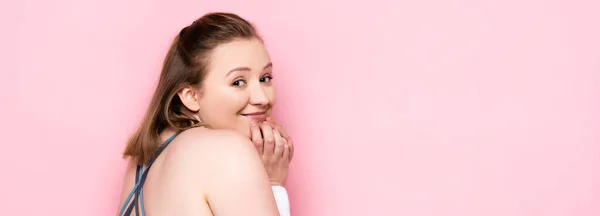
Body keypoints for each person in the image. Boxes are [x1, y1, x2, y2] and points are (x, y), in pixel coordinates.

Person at [116, 12, 294, 216]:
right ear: (190, 96)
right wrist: (274, 185)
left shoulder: (141, 163)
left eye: (265, 78)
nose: (262, 98)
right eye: (238, 82)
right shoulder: (228, 151)